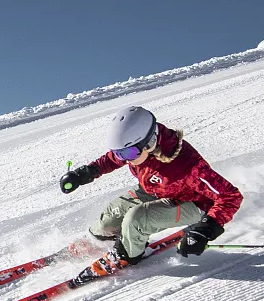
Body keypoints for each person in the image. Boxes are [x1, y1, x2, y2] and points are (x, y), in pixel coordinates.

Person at [59, 105, 243, 275]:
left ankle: (126, 255)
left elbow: (230, 196)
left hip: (193, 203)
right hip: (155, 190)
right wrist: (84, 173)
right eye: (119, 153)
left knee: (136, 219)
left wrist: (204, 230)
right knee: (111, 214)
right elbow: (112, 159)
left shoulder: (187, 165)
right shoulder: (136, 149)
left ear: (150, 143)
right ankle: (99, 241)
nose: (124, 159)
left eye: (128, 153)